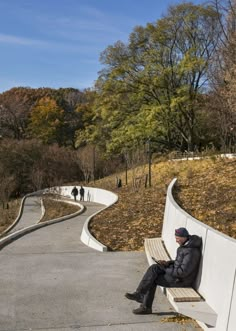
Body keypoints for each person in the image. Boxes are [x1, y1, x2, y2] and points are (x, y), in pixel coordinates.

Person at [125, 227, 202, 315]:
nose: (176, 241)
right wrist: (168, 263)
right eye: (175, 238)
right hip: (176, 277)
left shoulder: (191, 252)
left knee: (152, 278)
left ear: (184, 237)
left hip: (181, 281)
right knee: (154, 268)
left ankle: (143, 303)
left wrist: (165, 268)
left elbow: (182, 272)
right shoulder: (185, 247)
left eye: (178, 238)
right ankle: (140, 296)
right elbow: (179, 264)